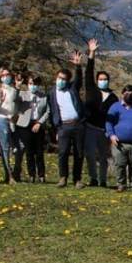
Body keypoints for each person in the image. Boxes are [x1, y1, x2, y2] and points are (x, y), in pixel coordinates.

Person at [83, 39, 118, 188]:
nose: (103, 81)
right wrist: (92, 53)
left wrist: (113, 133)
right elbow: (88, 72)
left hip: (104, 131)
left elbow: (117, 116)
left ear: (108, 81)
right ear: (97, 81)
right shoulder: (92, 90)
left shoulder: (113, 97)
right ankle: (93, 178)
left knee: (104, 157)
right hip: (90, 128)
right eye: (100, 79)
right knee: (90, 155)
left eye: (105, 79)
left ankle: (103, 180)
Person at [48, 51, 85, 188]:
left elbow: (79, 79)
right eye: (59, 78)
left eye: (64, 79)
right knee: (62, 152)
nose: (61, 81)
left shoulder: (72, 88)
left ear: (68, 81)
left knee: (79, 153)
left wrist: (78, 66)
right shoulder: (51, 93)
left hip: (78, 125)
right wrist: (56, 128)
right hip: (63, 126)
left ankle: (77, 179)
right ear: (56, 77)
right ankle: (63, 177)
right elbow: (52, 111)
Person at [14, 74, 49, 183]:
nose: (33, 86)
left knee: (39, 151)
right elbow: (14, 100)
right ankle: (31, 175)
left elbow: (48, 111)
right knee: (29, 151)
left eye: (35, 84)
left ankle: (41, 175)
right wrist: (17, 87)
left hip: (38, 124)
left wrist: (40, 122)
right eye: (30, 84)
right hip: (25, 125)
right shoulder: (23, 94)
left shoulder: (44, 97)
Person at [0, 67, 19, 184]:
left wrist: (15, 115)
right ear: (0, 77)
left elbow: (15, 105)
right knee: (5, 148)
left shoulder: (13, 89)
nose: (6, 77)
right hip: (2, 120)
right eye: (3, 75)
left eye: (7, 75)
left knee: (17, 147)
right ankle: (9, 175)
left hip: (12, 121)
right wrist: (1, 100)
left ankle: (16, 172)